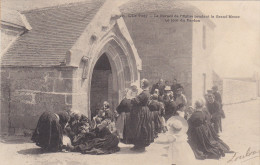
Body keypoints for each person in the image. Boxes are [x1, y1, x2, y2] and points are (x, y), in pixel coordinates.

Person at [130, 79, 154, 152]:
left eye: (141, 83)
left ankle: (139, 145)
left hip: (140, 112)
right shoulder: (146, 92)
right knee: (142, 127)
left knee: (139, 127)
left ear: (143, 85)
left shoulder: (144, 93)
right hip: (143, 111)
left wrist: (131, 98)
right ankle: (139, 145)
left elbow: (136, 101)